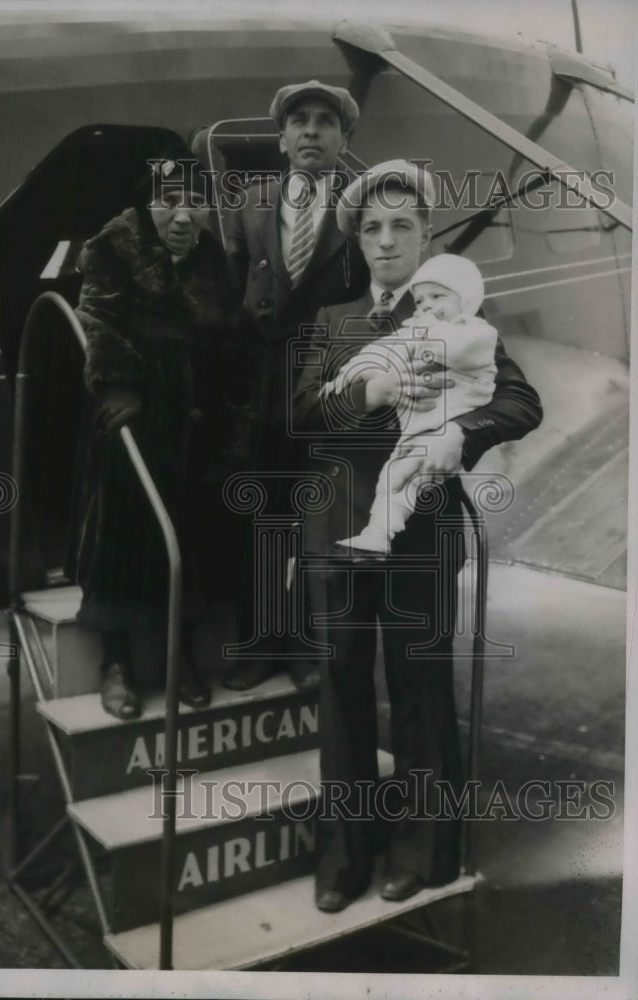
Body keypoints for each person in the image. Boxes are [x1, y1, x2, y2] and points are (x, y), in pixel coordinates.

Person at [292, 160, 543, 911]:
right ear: (357, 243)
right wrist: (366, 391)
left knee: (420, 686)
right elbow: (301, 417)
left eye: (402, 225)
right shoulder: (330, 324)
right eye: (371, 228)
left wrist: (460, 432)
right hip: (337, 528)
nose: (385, 240)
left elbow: (520, 401)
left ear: (426, 236)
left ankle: (422, 850)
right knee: (340, 687)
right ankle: (344, 855)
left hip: (421, 532)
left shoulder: (457, 319)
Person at [67, 156, 255, 721]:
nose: (181, 216)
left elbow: (229, 341)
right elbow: (96, 319)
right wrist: (120, 388)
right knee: (124, 534)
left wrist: (234, 414)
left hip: (193, 426)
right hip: (134, 421)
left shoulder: (208, 259)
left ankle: (181, 656)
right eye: (168, 200)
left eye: (194, 202)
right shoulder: (113, 247)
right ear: (145, 203)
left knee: (191, 533)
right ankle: (117, 662)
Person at [222, 79, 369, 693]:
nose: (311, 130)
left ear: (341, 139)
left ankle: (309, 648)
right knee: (261, 524)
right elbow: (228, 301)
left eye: (325, 122)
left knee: (320, 526)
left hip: (323, 393)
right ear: (282, 140)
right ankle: (260, 643)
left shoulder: (361, 211)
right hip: (260, 396)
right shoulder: (249, 205)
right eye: (300, 121)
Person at [325, 253, 498, 553]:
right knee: (393, 479)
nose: (426, 305)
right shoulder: (413, 331)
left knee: (408, 476)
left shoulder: (477, 331)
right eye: (419, 301)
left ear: (464, 301)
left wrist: (420, 332)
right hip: (418, 429)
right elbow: (381, 350)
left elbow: (455, 349)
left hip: (450, 421)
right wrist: (348, 375)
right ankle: (379, 536)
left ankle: (380, 535)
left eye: (437, 296)